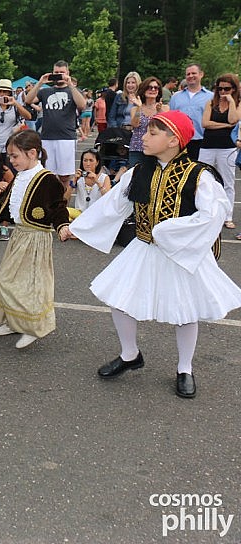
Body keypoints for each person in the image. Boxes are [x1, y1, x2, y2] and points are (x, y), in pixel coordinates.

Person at [69, 110, 241, 399]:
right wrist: (79, 227)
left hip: (181, 254)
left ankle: (184, 368)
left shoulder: (199, 175)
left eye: (152, 133)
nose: (144, 137)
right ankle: (129, 354)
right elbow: (114, 204)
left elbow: (213, 214)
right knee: (119, 298)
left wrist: (172, 231)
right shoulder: (139, 171)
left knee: (186, 311)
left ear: (173, 139)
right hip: (144, 247)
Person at [0, 130, 72, 349]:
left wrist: (62, 227)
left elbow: (58, 207)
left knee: (31, 285)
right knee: (7, 280)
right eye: (10, 157)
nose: (11, 161)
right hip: (19, 236)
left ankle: (31, 328)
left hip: (36, 239)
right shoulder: (19, 177)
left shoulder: (47, 179)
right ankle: (13, 322)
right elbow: (2, 207)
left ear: (32, 153)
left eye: (15, 156)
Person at [24, 60, 87, 191]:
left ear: (67, 73)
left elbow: (82, 105)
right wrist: (40, 82)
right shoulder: (45, 92)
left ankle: (63, 204)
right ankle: (49, 204)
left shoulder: (73, 91)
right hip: (47, 137)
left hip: (66, 138)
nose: (59, 75)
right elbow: (28, 100)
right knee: (48, 175)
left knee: (65, 176)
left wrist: (70, 84)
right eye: (56, 72)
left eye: (62, 73)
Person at [200, 74, 240, 229]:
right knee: (203, 179)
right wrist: (224, 126)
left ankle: (227, 216)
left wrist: (230, 101)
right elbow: (205, 123)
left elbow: (233, 120)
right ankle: (204, 212)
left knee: (227, 182)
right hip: (207, 145)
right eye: (220, 88)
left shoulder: (237, 103)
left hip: (227, 147)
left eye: (227, 88)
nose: (223, 91)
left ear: (234, 88)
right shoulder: (210, 102)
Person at [169, 63, 213, 160]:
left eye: (194, 73)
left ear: (201, 74)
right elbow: (171, 120)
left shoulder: (211, 97)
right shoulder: (176, 97)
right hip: (180, 142)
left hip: (203, 142)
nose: (190, 76)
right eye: (188, 74)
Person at [127, 77, 168, 167]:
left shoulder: (165, 108)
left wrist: (160, 111)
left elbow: (166, 127)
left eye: (156, 88)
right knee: (135, 175)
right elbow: (135, 124)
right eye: (150, 87)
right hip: (137, 148)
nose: (153, 90)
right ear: (144, 90)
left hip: (156, 148)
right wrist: (139, 108)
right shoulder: (135, 108)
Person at [70, 148, 110, 215]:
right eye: (85, 160)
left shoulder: (104, 177)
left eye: (91, 160)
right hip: (80, 214)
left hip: (97, 214)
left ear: (97, 162)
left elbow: (108, 198)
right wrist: (74, 181)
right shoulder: (79, 177)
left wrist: (97, 181)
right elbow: (65, 198)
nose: (88, 164)